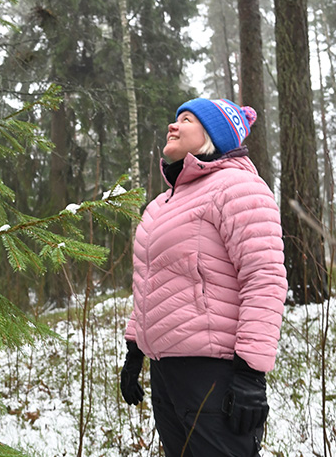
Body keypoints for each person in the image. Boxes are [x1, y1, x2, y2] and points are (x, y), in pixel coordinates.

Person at [120, 98, 288, 456]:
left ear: (214, 135)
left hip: (213, 374)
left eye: (187, 119)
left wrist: (250, 375)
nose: (173, 125)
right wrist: (134, 350)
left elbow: (264, 278)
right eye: (175, 117)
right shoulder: (161, 205)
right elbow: (151, 282)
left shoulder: (237, 187)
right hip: (166, 375)